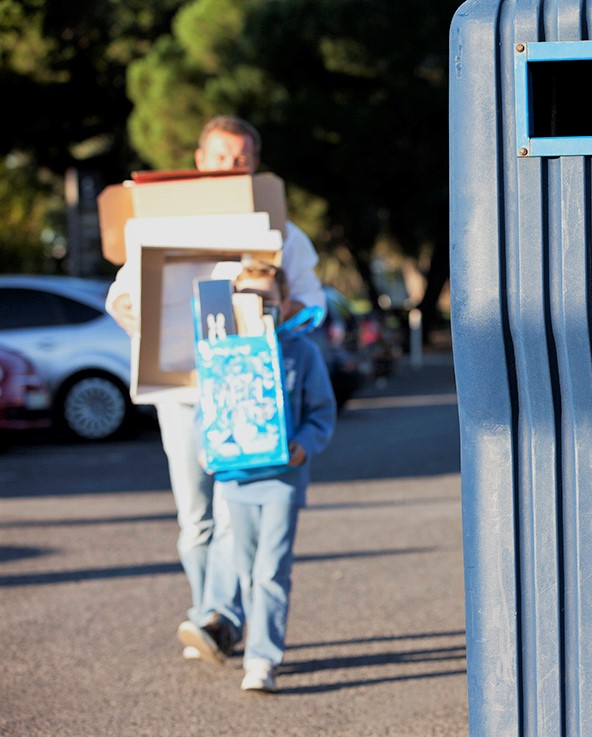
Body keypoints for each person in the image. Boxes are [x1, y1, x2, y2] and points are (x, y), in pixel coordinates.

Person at [105, 115, 326, 662]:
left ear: (254, 163)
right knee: (195, 517)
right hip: (178, 390)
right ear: (200, 161)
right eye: (223, 157)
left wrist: (280, 309)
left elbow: (315, 306)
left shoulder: (281, 229)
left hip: (244, 388)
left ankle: (217, 619)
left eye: (243, 158)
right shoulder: (158, 224)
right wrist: (126, 307)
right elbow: (120, 296)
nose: (233, 166)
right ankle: (209, 613)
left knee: (231, 510)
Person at [177, 260, 336, 692]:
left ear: (284, 303)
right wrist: (207, 451)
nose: (260, 306)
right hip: (236, 480)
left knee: (271, 570)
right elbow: (204, 413)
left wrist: (305, 445)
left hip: (283, 480)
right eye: (249, 298)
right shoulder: (220, 352)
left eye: (268, 298)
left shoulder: (301, 352)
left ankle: (263, 659)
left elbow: (322, 411)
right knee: (246, 571)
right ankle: (249, 642)